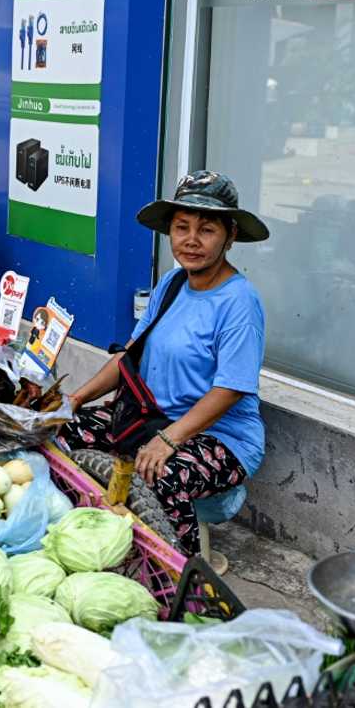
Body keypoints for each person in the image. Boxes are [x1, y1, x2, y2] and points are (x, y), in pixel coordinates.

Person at [59, 170, 269, 556]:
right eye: (181, 227)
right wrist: (73, 400)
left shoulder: (239, 302)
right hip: (154, 417)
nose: (191, 240)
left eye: (206, 230)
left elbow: (231, 389)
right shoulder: (172, 284)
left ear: (231, 235)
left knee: (159, 475)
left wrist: (169, 440)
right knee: (60, 436)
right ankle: (92, 546)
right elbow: (129, 357)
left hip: (223, 437)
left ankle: (181, 576)